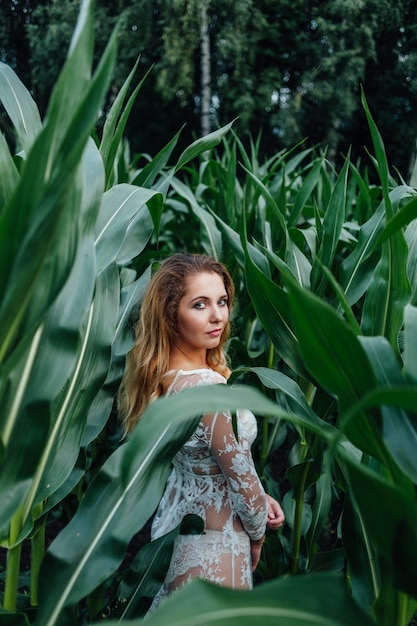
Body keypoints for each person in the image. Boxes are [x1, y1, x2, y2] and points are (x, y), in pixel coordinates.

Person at [118, 252, 285, 609]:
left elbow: (207, 466)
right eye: (200, 305)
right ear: (170, 315)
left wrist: (257, 493)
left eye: (222, 301)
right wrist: (257, 537)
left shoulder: (160, 380)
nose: (218, 316)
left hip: (172, 533)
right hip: (216, 545)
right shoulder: (208, 388)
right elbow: (240, 482)